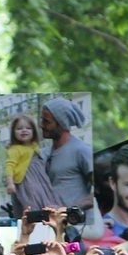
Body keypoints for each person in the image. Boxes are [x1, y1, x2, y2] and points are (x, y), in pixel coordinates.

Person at [40, 98, 104, 239]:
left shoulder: (81, 150)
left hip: (79, 232)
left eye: (47, 122)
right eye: (42, 120)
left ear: (61, 124)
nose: (41, 125)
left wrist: (68, 209)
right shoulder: (45, 153)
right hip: (54, 230)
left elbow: (101, 191)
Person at [3, 113, 62, 218]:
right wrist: (10, 183)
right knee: (32, 198)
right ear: (13, 133)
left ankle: (52, 214)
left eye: (28, 128)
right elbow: (9, 166)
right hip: (27, 180)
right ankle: (36, 218)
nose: (24, 130)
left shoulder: (34, 146)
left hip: (41, 179)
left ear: (33, 132)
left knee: (47, 196)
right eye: (19, 128)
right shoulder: (14, 149)